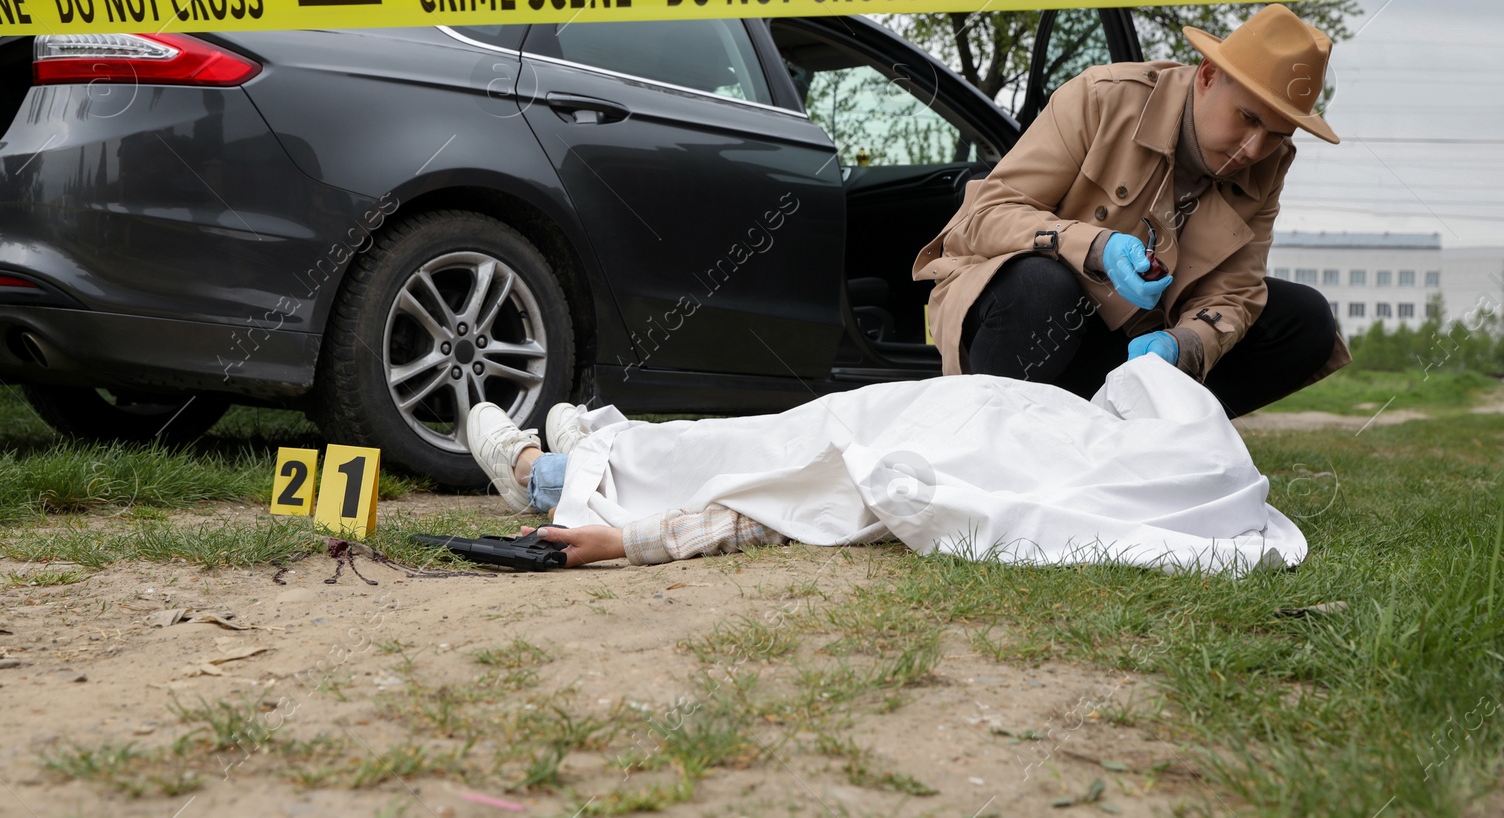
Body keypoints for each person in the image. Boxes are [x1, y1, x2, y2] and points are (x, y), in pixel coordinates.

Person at [461, 354, 1306, 575]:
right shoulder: (1095, 445)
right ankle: (600, 447)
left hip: (935, 434)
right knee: (778, 431)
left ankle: (547, 469)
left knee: (783, 451)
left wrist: (634, 542)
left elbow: (829, 504)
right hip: (985, 408)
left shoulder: (1032, 497)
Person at [912, 3, 1350, 418]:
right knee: (1042, 286)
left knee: (1305, 320)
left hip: (1135, 342)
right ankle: (998, 436)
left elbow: (1236, 291)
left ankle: (1137, 432)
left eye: (1276, 133)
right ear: (1208, 75)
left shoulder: (1271, 161)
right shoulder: (1103, 97)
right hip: (1037, 321)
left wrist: (1184, 344)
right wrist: (1095, 247)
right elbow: (984, 217)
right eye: (1249, 119)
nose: (1253, 149)